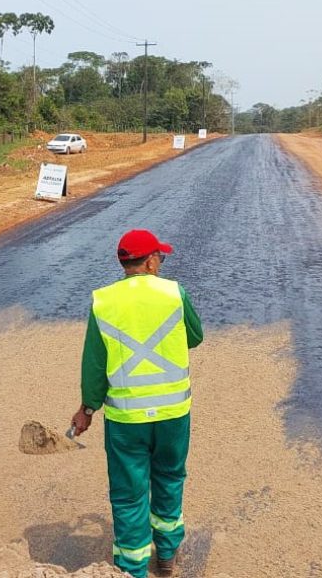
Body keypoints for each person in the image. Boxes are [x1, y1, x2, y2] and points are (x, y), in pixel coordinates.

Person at [71, 229, 203, 578]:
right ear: (149, 261)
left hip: (126, 420)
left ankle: (131, 569)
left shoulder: (103, 301)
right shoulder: (174, 293)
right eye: (160, 257)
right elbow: (195, 336)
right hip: (173, 414)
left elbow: (95, 364)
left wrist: (87, 409)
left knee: (129, 495)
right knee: (170, 478)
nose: (161, 262)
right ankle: (168, 555)